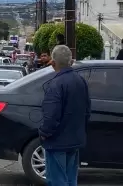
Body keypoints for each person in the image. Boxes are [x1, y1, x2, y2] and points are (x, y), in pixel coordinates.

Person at [39, 45, 91, 186]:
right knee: (70, 179)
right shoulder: (81, 81)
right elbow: (87, 111)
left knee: (57, 180)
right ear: (71, 62)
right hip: (74, 139)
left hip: (57, 142)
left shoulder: (55, 84)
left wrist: (44, 133)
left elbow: (51, 115)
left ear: (53, 63)